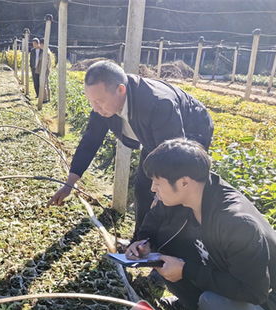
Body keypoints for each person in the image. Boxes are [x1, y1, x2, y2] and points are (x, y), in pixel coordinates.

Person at [125, 139, 276, 310]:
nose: (152, 188)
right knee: (166, 259)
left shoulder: (236, 223)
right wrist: (143, 241)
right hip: (221, 278)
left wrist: (186, 271)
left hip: (262, 306)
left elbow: (254, 291)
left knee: (212, 301)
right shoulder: (187, 195)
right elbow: (154, 219)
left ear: (184, 182)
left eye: (157, 182)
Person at [47, 60, 214, 236]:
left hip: (191, 130)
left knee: (176, 191)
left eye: (100, 101)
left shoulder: (158, 104)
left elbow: (173, 156)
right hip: (155, 137)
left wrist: (161, 193)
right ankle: (140, 241)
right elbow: (90, 141)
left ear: (121, 90)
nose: (95, 108)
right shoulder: (103, 108)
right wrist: (69, 184)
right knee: (143, 188)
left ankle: (173, 246)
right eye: (91, 102)